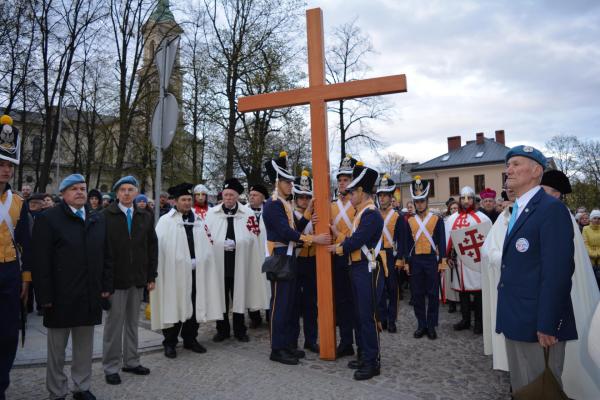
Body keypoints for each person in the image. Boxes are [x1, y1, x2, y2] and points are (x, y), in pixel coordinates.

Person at [496, 145, 577, 394]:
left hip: (538, 325)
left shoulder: (551, 210)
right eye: (508, 164)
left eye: (516, 164)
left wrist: (548, 323)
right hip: (518, 319)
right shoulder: (520, 209)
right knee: (524, 389)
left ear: (536, 171)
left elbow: (558, 272)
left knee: (541, 390)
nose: (509, 169)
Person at [33, 174, 112, 400]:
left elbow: (107, 256)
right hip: (60, 296)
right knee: (57, 349)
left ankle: (82, 386)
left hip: (89, 294)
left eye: (83, 188)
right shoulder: (49, 219)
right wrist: (44, 296)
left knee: (84, 347)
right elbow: (41, 261)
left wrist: (106, 285)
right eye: (74, 188)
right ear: (63, 194)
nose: (80, 192)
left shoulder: (96, 219)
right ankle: (57, 390)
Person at [262, 152, 329, 365]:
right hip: (280, 257)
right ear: (277, 182)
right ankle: (277, 349)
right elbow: (285, 233)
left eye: (291, 182)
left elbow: (293, 229)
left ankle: (288, 345)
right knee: (280, 306)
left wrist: (307, 215)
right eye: (287, 182)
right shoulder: (273, 204)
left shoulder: (284, 204)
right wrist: (314, 239)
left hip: (288, 257)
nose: (291, 185)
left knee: (289, 306)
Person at [150, 183, 223, 359]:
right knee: (174, 305)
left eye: (189, 199)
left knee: (194, 305)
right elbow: (160, 248)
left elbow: (206, 245)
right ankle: (170, 342)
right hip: (174, 274)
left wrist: (201, 259)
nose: (187, 203)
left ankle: (190, 339)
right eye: (183, 199)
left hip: (196, 272)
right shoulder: (166, 221)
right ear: (175, 201)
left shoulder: (198, 220)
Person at [328, 163, 383, 380]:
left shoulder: (370, 214)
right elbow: (354, 239)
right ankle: (364, 355)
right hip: (358, 267)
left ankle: (372, 361)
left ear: (361, 192)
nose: (349, 194)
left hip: (366, 269)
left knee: (367, 317)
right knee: (360, 316)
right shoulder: (361, 213)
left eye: (352, 191)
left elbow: (358, 240)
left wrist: (339, 247)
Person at [102, 176, 158, 385]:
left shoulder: (144, 215)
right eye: (123, 190)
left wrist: (151, 276)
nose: (126, 193)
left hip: (137, 278)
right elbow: (102, 251)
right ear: (117, 193)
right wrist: (104, 283)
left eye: (130, 189)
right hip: (115, 280)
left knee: (133, 324)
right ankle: (111, 366)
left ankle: (132, 361)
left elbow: (152, 247)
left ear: (136, 193)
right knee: (113, 326)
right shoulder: (106, 215)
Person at [205, 178, 268, 343]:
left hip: (240, 263)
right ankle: (222, 329)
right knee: (221, 297)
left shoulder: (247, 214)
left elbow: (254, 237)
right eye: (225, 195)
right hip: (220, 263)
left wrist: (239, 243)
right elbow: (206, 237)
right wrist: (220, 244)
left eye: (231, 195)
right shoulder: (212, 214)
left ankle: (240, 330)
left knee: (239, 295)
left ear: (237, 196)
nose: (228, 198)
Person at [0, 115, 32, 400]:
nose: (5, 170)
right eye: (1, 163)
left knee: (8, 333)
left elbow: (27, 245)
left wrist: (25, 278)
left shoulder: (19, 204)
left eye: (9, 164)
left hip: (9, 273)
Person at [401, 176, 447, 340]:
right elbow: (406, 243)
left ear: (427, 201)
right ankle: (421, 324)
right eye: (417, 201)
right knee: (417, 294)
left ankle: (431, 325)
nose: (419, 204)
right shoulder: (410, 220)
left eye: (422, 201)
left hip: (430, 259)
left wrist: (442, 260)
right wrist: (406, 261)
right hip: (415, 261)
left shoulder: (436, 219)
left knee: (433, 294)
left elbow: (441, 242)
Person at [446, 186, 492, 335]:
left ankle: (479, 323)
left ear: (474, 199)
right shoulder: (452, 219)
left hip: (476, 262)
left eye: (469, 198)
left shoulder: (482, 218)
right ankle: (465, 320)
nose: (466, 201)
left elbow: (489, 240)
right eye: (463, 198)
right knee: (463, 293)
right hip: (459, 262)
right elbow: (448, 240)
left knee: (478, 293)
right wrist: (448, 256)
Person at [330, 154, 358, 357]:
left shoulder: (359, 204)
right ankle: (346, 341)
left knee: (357, 302)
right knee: (341, 302)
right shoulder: (331, 205)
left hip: (354, 256)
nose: (342, 183)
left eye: (346, 179)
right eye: (340, 180)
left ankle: (362, 343)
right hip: (337, 257)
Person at [290, 171, 319, 353]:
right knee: (294, 305)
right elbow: (294, 235)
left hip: (312, 261)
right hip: (297, 260)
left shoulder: (317, 214)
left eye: (307, 197)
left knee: (311, 305)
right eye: (301, 197)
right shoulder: (291, 214)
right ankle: (293, 342)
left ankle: (311, 339)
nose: (304, 200)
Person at [376, 174, 405, 333]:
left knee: (393, 290)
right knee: (380, 290)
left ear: (390, 197)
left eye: (385, 195)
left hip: (391, 255)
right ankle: (383, 318)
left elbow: (402, 239)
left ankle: (392, 319)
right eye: (380, 195)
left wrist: (400, 258)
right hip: (377, 254)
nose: (382, 198)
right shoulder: (374, 213)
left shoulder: (398, 216)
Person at [246, 183, 270, 329]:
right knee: (252, 285)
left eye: (255, 195)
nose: (252, 198)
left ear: (262, 197)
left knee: (267, 285)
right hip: (250, 255)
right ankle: (254, 317)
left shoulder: (269, 211)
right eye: (251, 195)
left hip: (267, 253)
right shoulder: (244, 212)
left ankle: (269, 313)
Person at [442, 199, 460, 313]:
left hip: (460, 253)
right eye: (452, 208)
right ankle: (452, 303)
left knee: (460, 279)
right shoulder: (447, 221)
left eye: (456, 208)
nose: (454, 210)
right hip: (449, 252)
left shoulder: (463, 220)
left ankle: (462, 303)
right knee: (450, 279)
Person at [583, 210, 600, 288]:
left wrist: (598, 254)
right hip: (590, 259)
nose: (597, 220)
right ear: (591, 219)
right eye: (595, 218)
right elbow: (585, 243)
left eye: (599, 218)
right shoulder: (585, 229)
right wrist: (592, 254)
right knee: (592, 282)